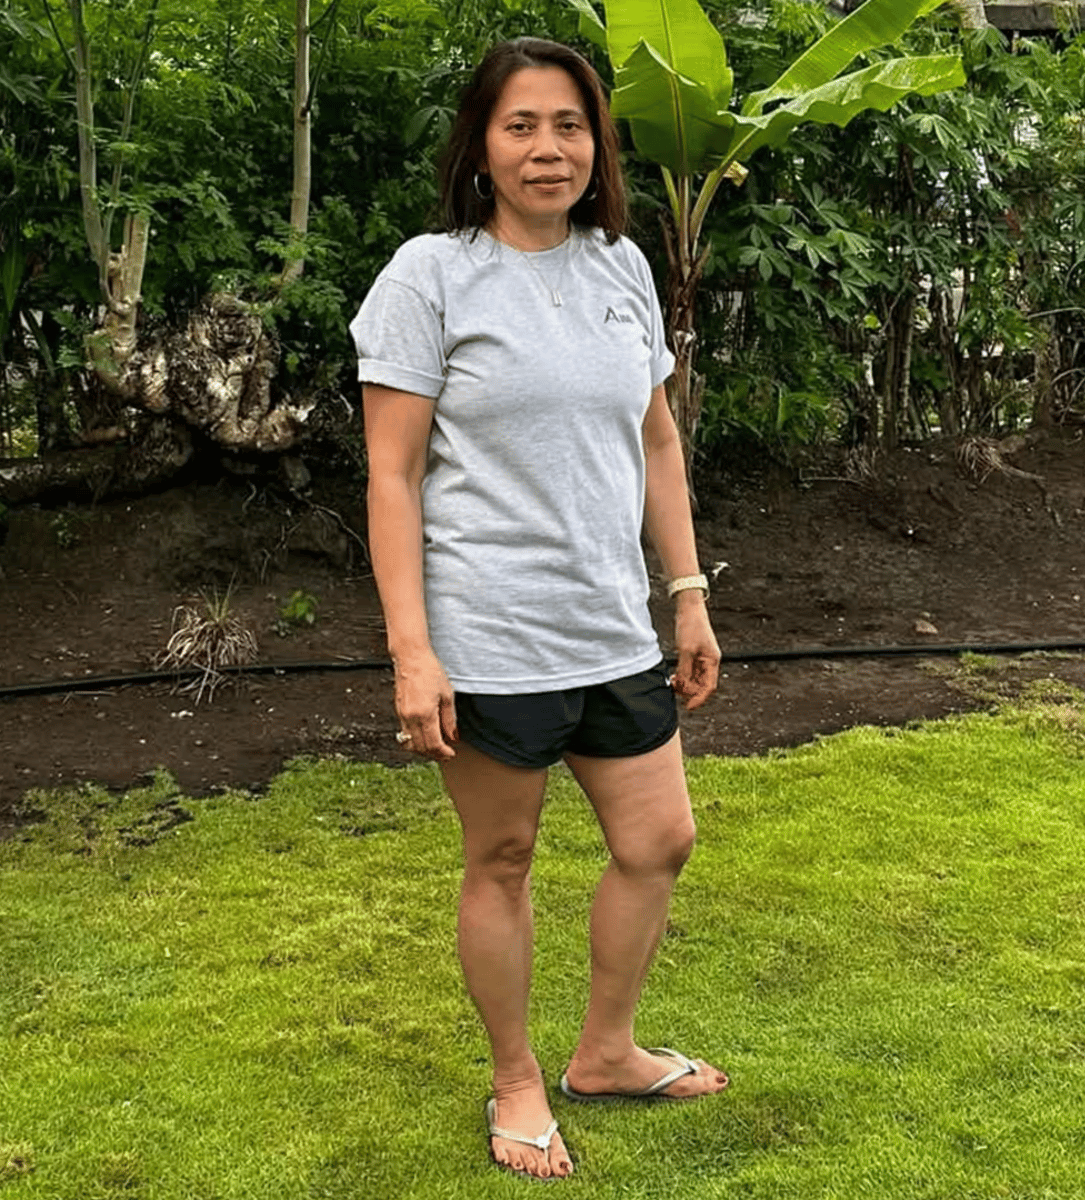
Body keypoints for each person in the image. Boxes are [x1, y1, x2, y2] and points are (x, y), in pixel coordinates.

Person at [351, 36, 727, 1181]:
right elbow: (390, 476)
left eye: (569, 125)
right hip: (491, 637)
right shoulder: (429, 276)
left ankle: (606, 1053)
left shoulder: (619, 267)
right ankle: (517, 1079)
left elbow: (656, 440)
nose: (548, 148)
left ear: (596, 144)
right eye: (521, 125)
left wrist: (688, 594)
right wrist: (412, 653)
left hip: (611, 626)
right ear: (482, 145)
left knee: (659, 839)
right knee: (504, 855)